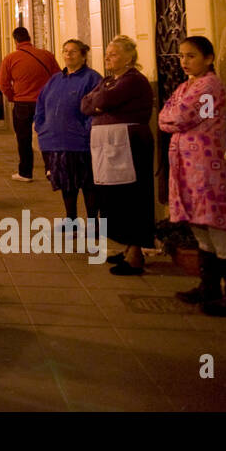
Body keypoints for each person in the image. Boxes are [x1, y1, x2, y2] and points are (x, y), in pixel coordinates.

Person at [158, 36, 226, 315]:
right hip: (184, 163)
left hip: (205, 163)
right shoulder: (185, 85)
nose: (184, 61)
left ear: (208, 58)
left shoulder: (210, 85)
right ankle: (208, 287)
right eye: (181, 56)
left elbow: (183, 117)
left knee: (214, 221)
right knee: (197, 222)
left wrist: (175, 119)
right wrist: (174, 118)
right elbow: (163, 115)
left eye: (191, 56)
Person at [80, 35, 154, 275]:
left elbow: (102, 100)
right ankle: (126, 247)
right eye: (107, 53)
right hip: (109, 147)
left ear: (129, 57)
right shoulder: (110, 80)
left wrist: (100, 104)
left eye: (113, 54)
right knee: (113, 197)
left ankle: (135, 254)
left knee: (131, 196)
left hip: (128, 146)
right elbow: (86, 104)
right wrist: (98, 104)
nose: (107, 57)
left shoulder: (133, 81)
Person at [34, 40, 102, 220]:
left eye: (73, 52)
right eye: (65, 51)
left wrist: (86, 130)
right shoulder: (55, 79)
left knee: (88, 184)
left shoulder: (92, 78)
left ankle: (94, 221)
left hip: (81, 144)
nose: (68, 55)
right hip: (56, 142)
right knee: (66, 184)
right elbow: (41, 104)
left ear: (83, 55)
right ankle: (71, 218)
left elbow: (97, 107)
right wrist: (41, 126)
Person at [0, 27, 60, 181]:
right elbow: (57, 77)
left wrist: (13, 97)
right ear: (29, 38)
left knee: (23, 138)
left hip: (22, 103)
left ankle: (25, 172)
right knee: (47, 135)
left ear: (15, 40)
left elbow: (3, 84)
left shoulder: (10, 58)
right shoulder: (47, 55)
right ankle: (51, 169)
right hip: (45, 102)